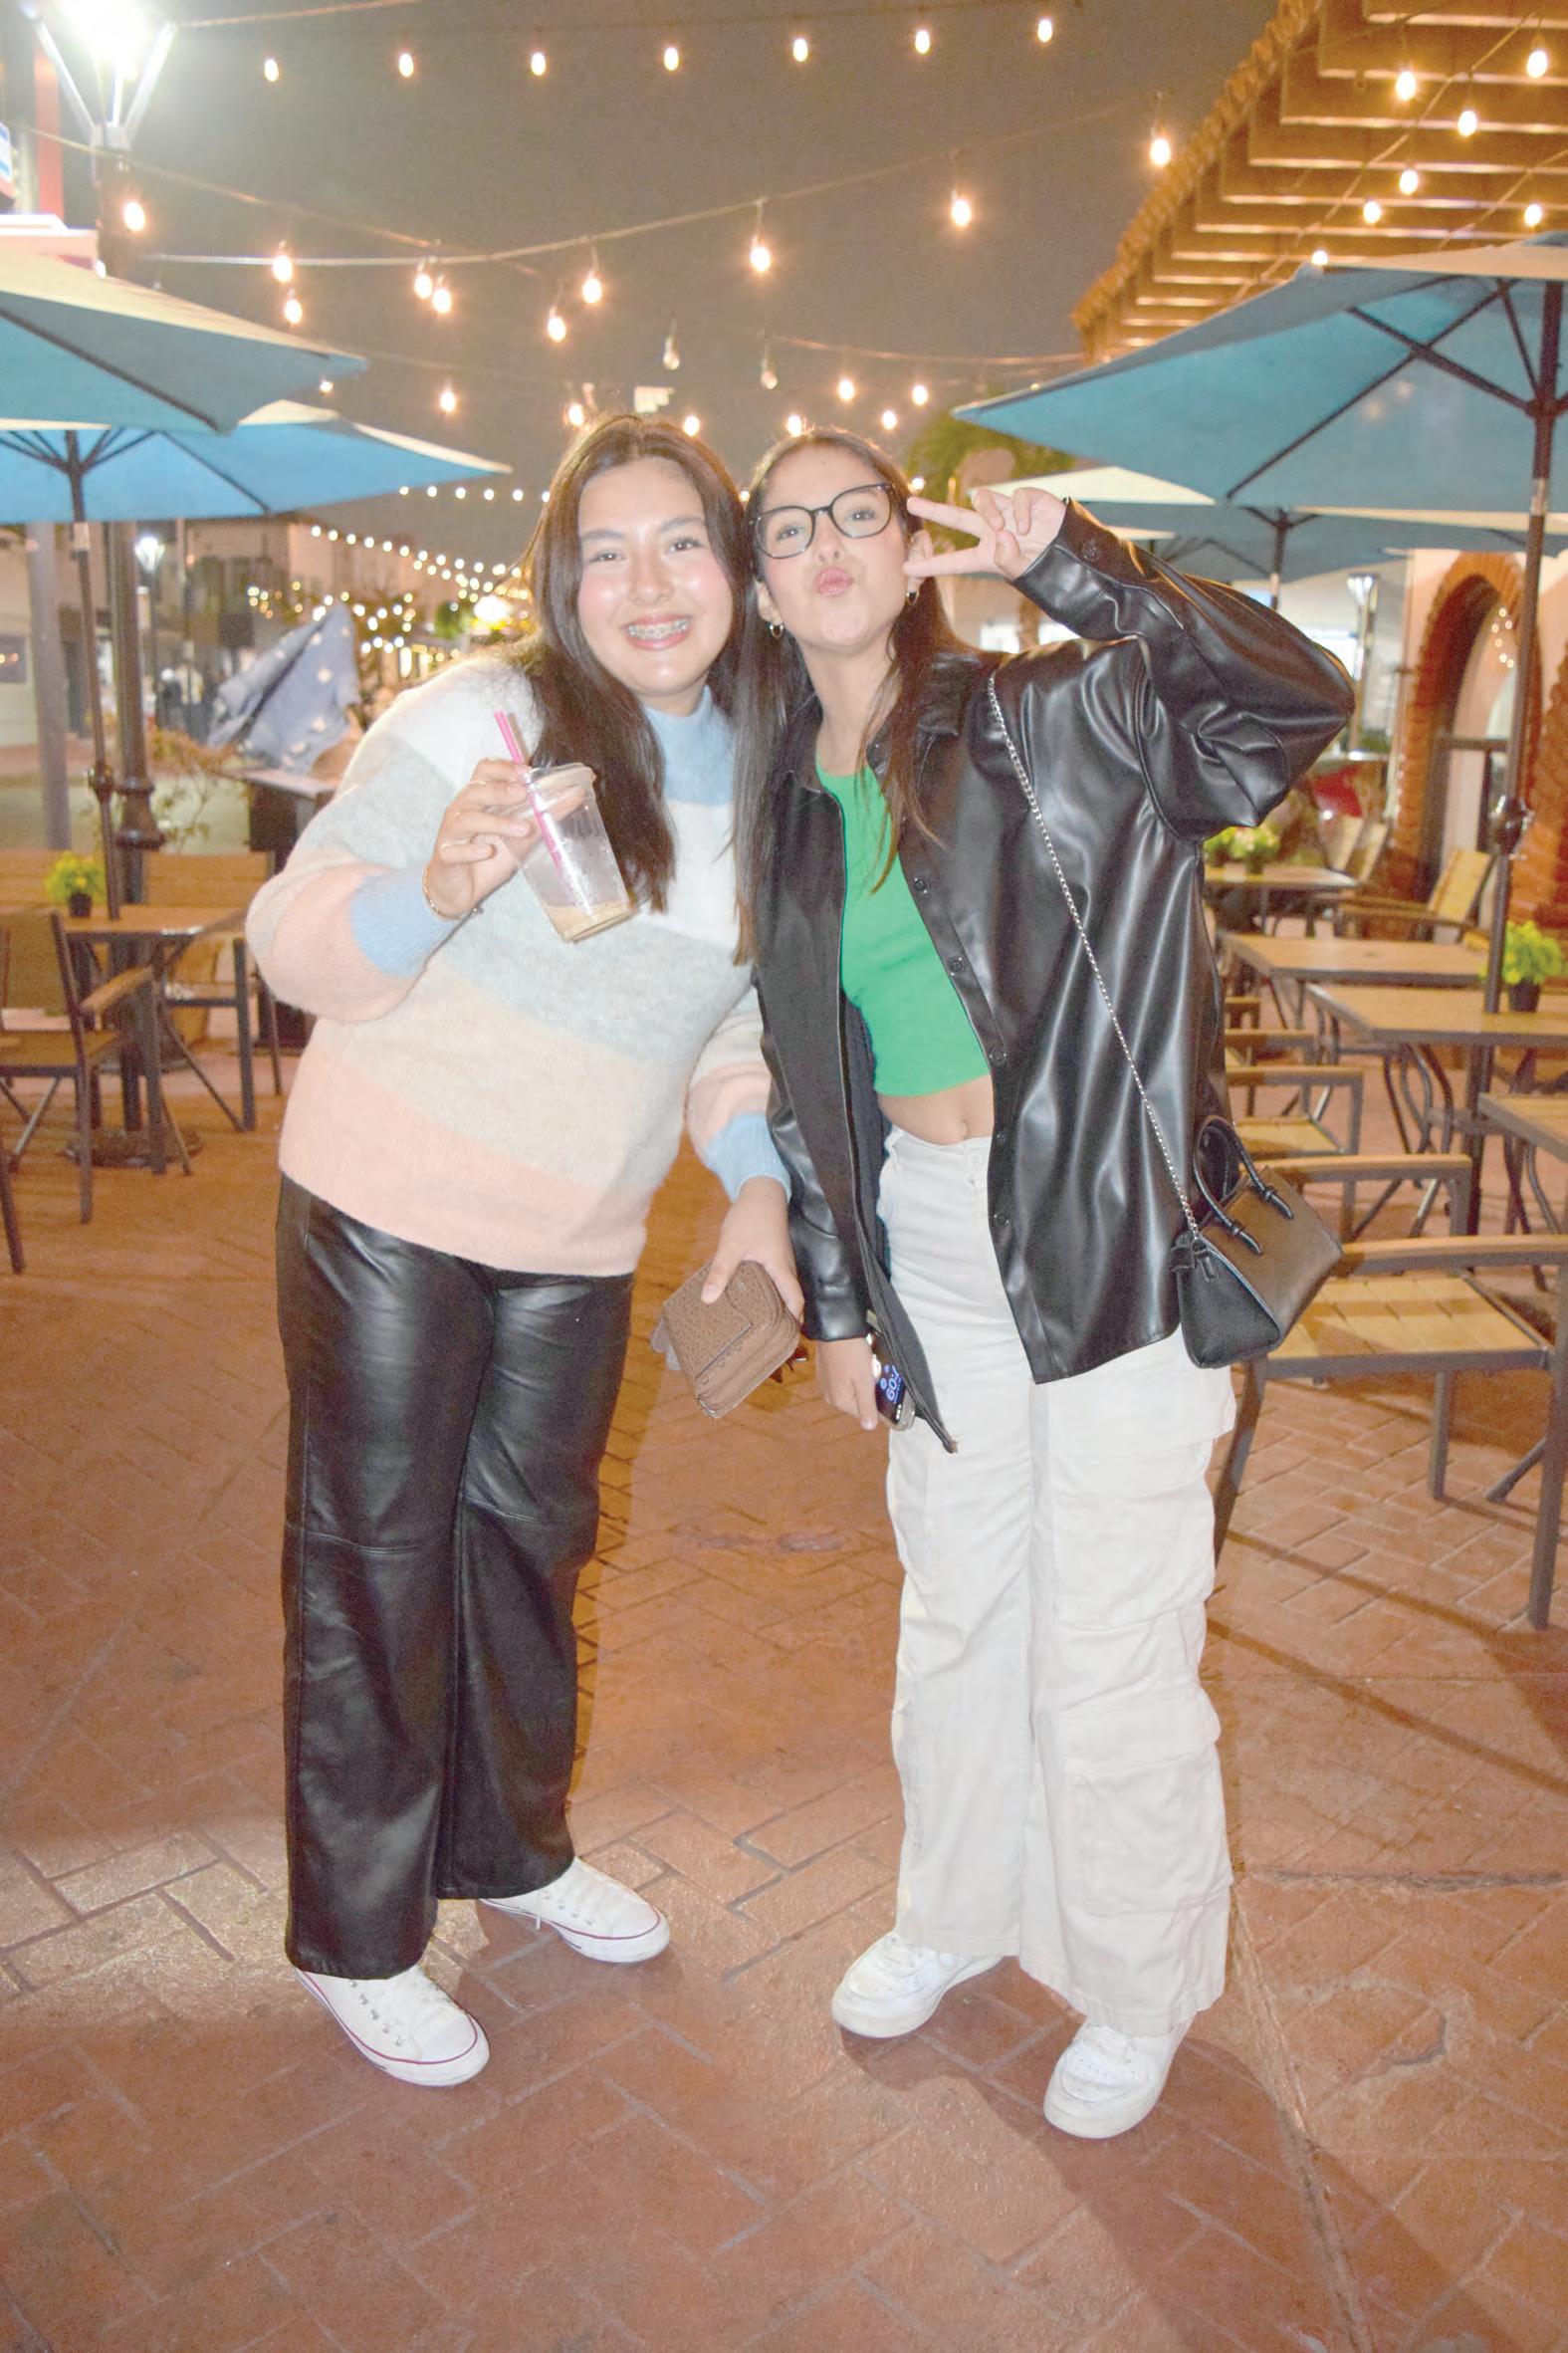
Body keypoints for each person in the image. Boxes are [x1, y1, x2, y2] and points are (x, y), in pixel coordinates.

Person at [734, 429, 1351, 2139]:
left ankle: (1136, 1984)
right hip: (931, 1245)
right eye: (788, 528)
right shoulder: (783, 812)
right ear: (763, 587)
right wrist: (841, 1309)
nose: (828, 543)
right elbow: (809, 1080)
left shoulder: (1044, 716)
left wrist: (1081, 567)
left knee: (1113, 1639)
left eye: (858, 511)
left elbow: (1296, 702)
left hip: (1110, 1240)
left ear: (909, 546)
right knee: (958, 1615)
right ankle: (956, 1912)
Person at [247, 416, 799, 2087]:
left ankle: (510, 1849)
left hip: (580, 1238)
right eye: (606, 552)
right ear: (564, 580)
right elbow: (290, 940)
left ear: (734, 566)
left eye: (682, 542)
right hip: (388, 1209)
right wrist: (431, 886)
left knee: (530, 1554)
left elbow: (732, 1031)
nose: (649, 584)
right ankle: (358, 1936)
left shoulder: (771, 776)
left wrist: (755, 1188)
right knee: (376, 1562)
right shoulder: (477, 718)